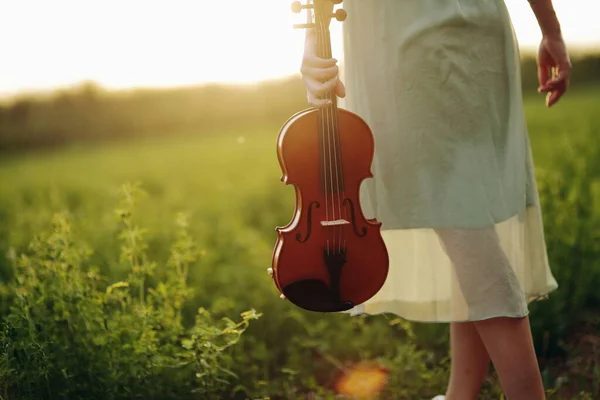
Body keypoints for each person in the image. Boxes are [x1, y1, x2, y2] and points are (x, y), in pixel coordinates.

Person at [298, 0, 571, 399]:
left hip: (414, 40)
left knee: (464, 222)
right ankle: (461, 394)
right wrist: (551, 29)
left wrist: (552, 30)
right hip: (460, 33)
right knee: (467, 219)